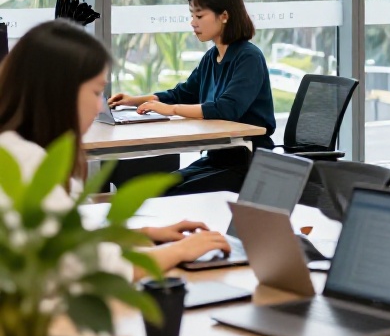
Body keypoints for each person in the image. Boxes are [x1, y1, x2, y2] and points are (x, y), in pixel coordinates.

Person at [0, 21, 232, 277]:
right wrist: (181, 250)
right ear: (59, 92)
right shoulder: (27, 162)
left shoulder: (16, 147)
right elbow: (94, 267)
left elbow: (62, 240)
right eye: (96, 91)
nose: (100, 107)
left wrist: (143, 234)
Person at [109, 0, 275, 194]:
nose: (192, 23)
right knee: (150, 189)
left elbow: (227, 109)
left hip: (248, 161)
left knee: (162, 193)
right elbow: (183, 93)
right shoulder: (211, 56)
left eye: (199, 16)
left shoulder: (249, 57)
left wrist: (171, 110)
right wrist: (135, 100)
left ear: (224, 16)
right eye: (191, 16)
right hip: (218, 156)